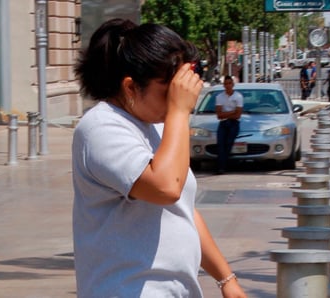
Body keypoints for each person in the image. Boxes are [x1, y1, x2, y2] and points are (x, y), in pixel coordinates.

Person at [72, 18, 247, 298]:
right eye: (168, 91)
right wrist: (179, 111)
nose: (177, 99)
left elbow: (183, 210)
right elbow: (165, 187)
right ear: (130, 88)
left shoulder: (158, 125)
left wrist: (226, 279)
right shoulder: (100, 127)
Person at [215, 75, 243, 174]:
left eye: (229, 83)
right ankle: (221, 167)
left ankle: (226, 164)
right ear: (223, 85)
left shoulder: (238, 96)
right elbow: (219, 115)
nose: (228, 86)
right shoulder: (219, 97)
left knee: (229, 143)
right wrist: (232, 112)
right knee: (221, 144)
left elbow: (238, 115)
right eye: (226, 84)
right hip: (223, 123)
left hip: (234, 123)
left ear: (233, 84)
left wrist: (226, 114)